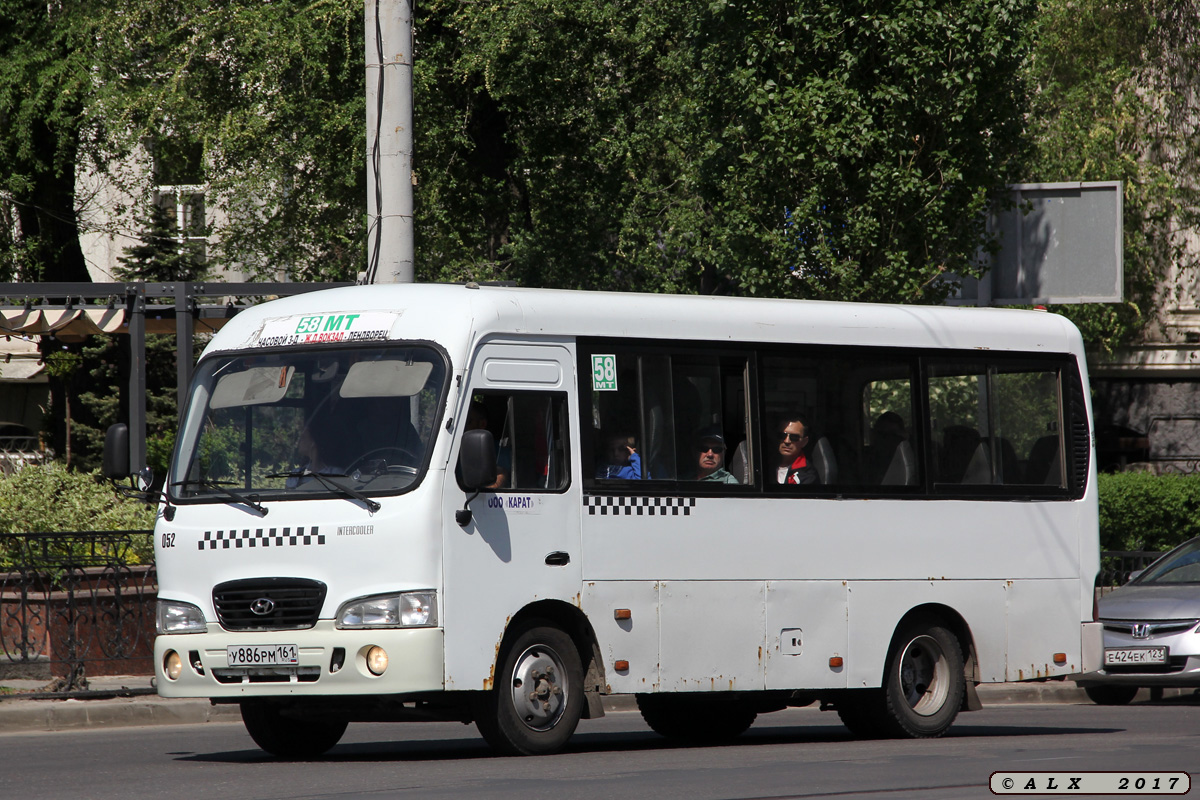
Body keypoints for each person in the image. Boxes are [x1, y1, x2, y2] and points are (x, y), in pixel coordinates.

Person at [465, 400, 510, 489]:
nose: (464, 426)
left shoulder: (499, 451)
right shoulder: (455, 449)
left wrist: (475, 490)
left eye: (468, 422)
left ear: (482, 424)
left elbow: (501, 477)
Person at [774, 415, 817, 485]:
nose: (787, 441)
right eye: (782, 435)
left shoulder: (808, 475)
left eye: (794, 437)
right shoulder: (765, 465)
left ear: (804, 442)